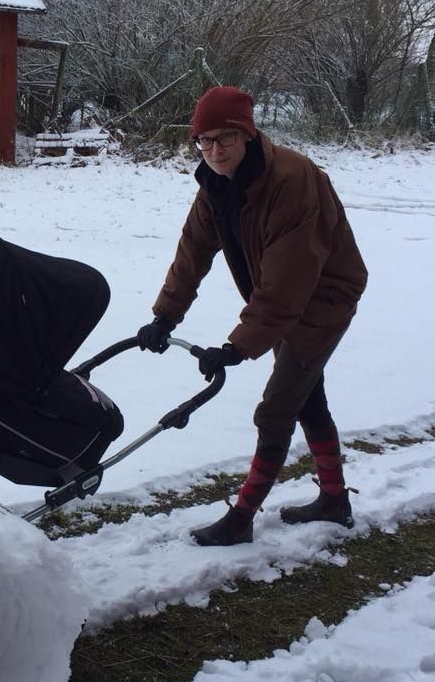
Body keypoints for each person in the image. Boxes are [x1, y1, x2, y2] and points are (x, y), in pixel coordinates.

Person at [137, 86, 368, 546]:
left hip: (321, 300)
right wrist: (165, 316)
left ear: (248, 135)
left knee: (277, 408)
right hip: (280, 303)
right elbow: (193, 250)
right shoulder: (215, 184)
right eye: (205, 140)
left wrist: (237, 348)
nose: (215, 150)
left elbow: (288, 281)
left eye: (225, 138)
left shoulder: (291, 180)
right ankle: (334, 498)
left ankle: (241, 518)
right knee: (307, 397)